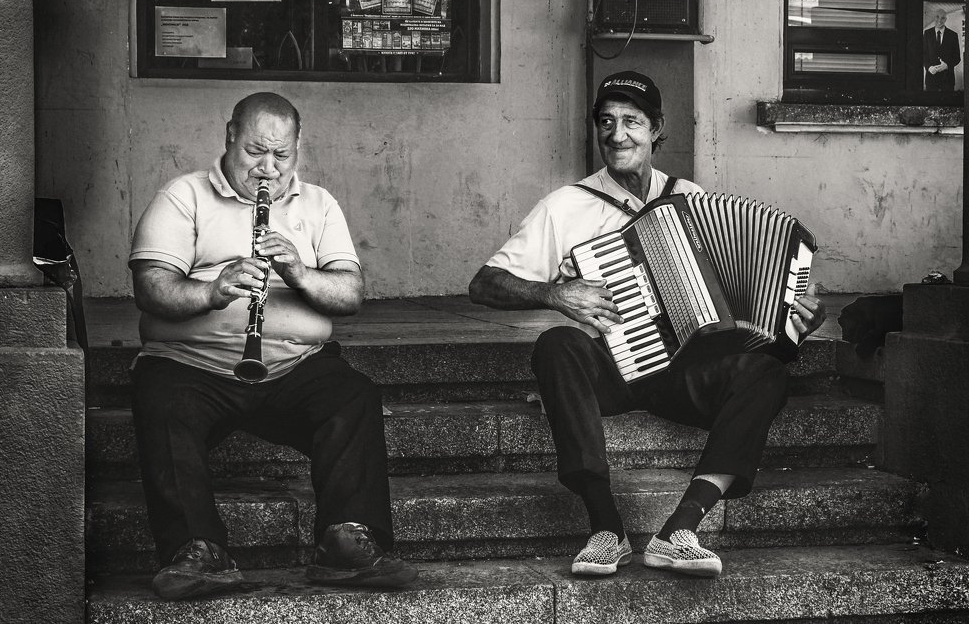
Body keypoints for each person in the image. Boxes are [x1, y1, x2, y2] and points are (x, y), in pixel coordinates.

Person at [468, 71, 826, 578]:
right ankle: (604, 528)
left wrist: (795, 311)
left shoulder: (689, 197)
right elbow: (483, 284)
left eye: (632, 122)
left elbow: (739, 295)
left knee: (766, 373)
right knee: (556, 344)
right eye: (606, 122)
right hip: (609, 371)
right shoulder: (566, 206)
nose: (617, 135)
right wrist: (553, 293)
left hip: (683, 372)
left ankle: (680, 529)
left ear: (657, 129)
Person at [128, 92, 418, 600]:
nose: (268, 168)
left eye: (281, 156)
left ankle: (346, 547)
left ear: (297, 150)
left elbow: (350, 294)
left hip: (294, 365)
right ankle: (196, 550)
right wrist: (212, 291)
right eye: (255, 152)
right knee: (161, 399)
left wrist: (301, 273)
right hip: (191, 366)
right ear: (229, 138)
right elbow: (151, 287)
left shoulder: (320, 204)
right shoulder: (184, 196)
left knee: (352, 395)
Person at [924, 8, 961, 92]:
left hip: (947, 79)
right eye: (937, 17)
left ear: (946, 19)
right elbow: (923, 54)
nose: (939, 20)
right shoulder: (927, 34)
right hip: (931, 79)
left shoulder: (953, 35)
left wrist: (947, 66)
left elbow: (957, 57)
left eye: (943, 18)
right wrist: (929, 67)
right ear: (934, 17)